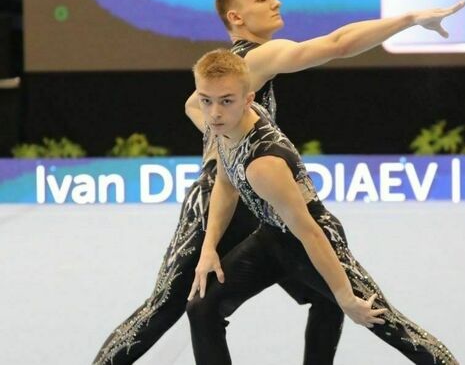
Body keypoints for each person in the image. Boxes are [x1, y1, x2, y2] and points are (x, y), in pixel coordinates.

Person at [92, 21, 343, 365]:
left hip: (258, 200)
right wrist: (406, 21)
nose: (274, 2)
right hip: (217, 199)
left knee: (328, 294)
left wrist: (223, 135)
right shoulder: (257, 57)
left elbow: (192, 106)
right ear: (236, 16)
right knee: (165, 306)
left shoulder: (240, 65)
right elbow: (338, 43)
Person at [186, 49, 459, 365]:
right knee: (202, 307)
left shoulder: (263, 166)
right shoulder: (223, 127)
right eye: (206, 101)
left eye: (226, 101)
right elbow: (225, 183)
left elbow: (309, 233)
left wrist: (346, 297)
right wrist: (209, 248)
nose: (214, 113)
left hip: (315, 239)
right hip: (272, 236)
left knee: (385, 322)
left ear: (249, 100)